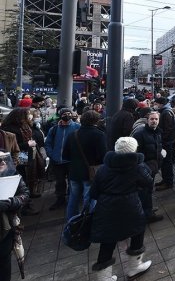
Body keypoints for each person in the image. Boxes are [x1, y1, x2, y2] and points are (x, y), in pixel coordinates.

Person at [89, 137, 153, 281]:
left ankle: (104, 277)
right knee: (137, 232)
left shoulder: (104, 168)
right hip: (130, 205)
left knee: (108, 239)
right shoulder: (137, 167)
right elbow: (148, 182)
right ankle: (134, 267)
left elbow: (93, 192)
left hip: (106, 208)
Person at [62, 110, 106, 221]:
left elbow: (65, 155)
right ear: (96, 121)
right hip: (90, 172)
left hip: (74, 172)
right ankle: (88, 222)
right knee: (90, 198)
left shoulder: (73, 134)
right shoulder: (99, 135)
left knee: (73, 198)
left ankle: (71, 221)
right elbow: (103, 156)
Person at [0, 151, 29, 281]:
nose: (3, 162)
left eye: (4, 159)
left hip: (5, 229)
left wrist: (10, 202)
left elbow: (24, 194)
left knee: (4, 264)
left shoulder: (12, 174)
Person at [131, 111, 164, 223]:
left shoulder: (158, 132)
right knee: (144, 191)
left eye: (156, 119)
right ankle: (146, 214)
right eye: (152, 119)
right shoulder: (139, 134)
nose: (154, 121)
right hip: (144, 168)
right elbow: (136, 153)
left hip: (153, 167)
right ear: (147, 120)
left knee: (148, 190)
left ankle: (147, 210)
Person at [45, 108, 80, 211]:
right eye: (65, 113)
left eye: (69, 113)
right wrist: (51, 154)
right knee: (59, 182)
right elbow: (48, 143)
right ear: (60, 115)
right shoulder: (54, 129)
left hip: (71, 161)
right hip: (57, 160)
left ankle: (71, 199)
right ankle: (60, 199)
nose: (67, 115)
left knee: (72, 182)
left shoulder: (77, 127)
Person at [154, 97, 175, 191]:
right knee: (164, 162)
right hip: (167, 141)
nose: (155, 105)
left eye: (156, 103)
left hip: (167, 142)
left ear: (160, 104)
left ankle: (168, 182)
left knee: (167, 162)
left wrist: (162, 139)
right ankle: (165, 180)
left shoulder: (166, 112)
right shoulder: (165, 111)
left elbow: (167, 129)